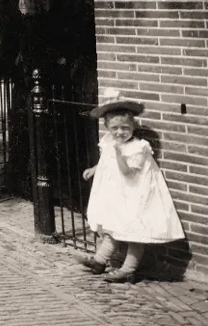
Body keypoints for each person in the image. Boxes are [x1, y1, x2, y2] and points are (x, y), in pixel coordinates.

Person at [76, 91, 185, 283]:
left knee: (135, 232)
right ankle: (99, 261)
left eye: (125, 128)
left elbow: (127, 172)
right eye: (115, 128)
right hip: (119, 194)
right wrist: (95, 169)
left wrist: (119, 152)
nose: (120, 132)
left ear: (133, 126)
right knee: (112, 228)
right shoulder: (110, 142)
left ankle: (128, 269)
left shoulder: (138, 147)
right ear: (107, 127)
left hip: (136, 196)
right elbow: (107, 159)